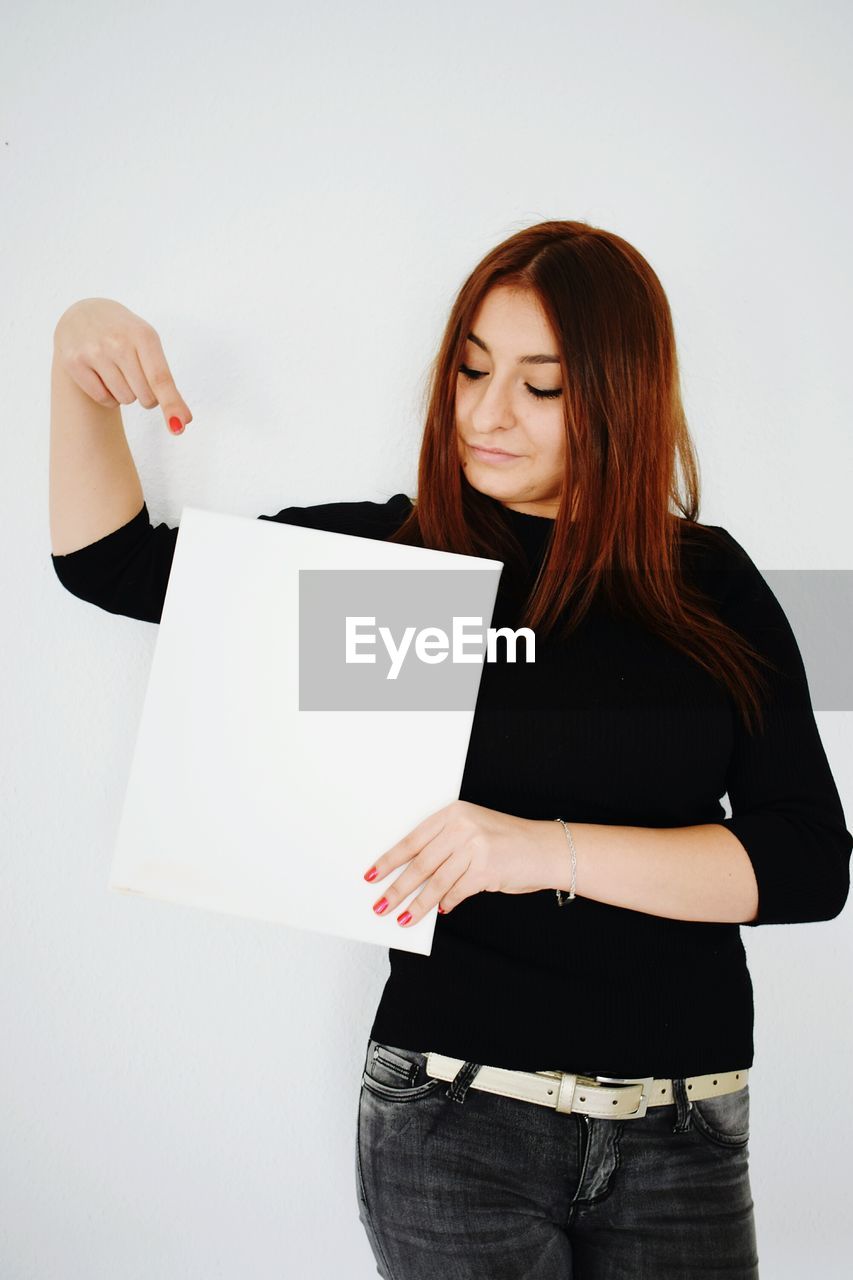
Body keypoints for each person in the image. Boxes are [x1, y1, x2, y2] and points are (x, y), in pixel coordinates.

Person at [49, 221, 852, 1280]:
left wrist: (538, 849)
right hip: (453, 1123)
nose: (484, 412)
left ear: (619, 392)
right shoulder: (394, 564)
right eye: (470, 369)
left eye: (540, 385)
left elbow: (807, 863)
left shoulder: (703, 581)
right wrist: (75, 357)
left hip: (682, 1128)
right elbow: (108, 567)